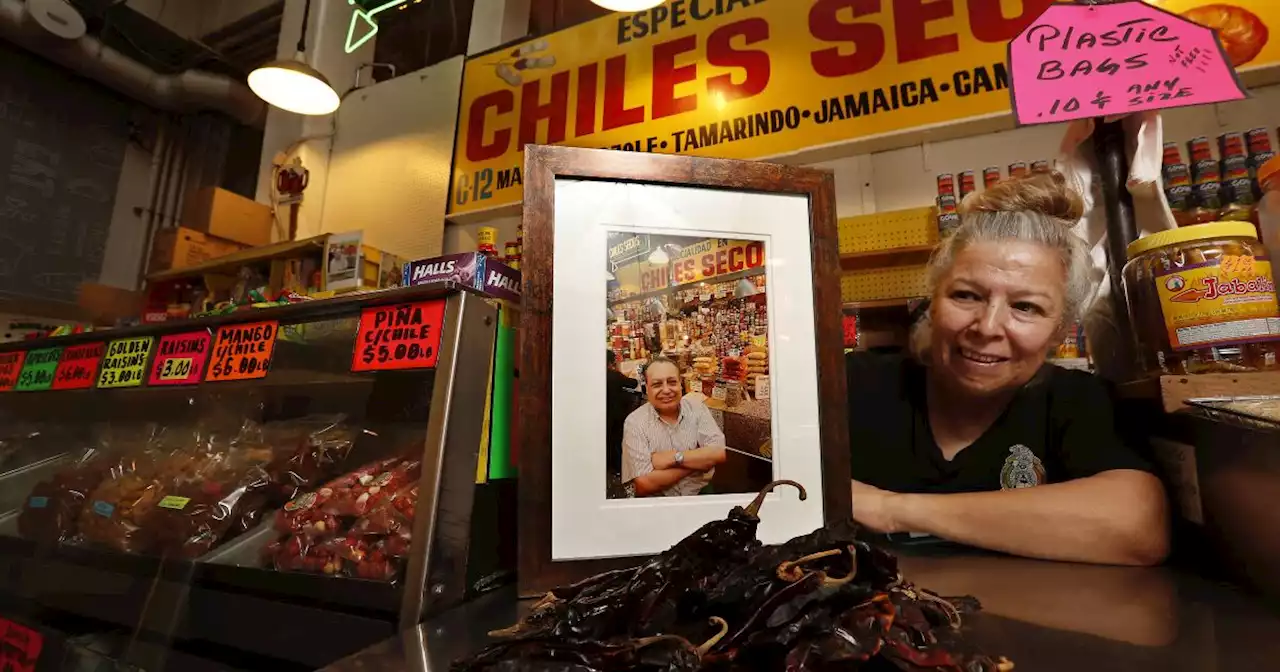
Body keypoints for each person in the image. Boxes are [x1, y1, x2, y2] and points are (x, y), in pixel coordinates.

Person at [846, 172, 1169, 567]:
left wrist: (890, 509)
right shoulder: (855, 384)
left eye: (1026, 307)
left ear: (1059, 330)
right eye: (966, 295)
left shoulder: (1072, 401)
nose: (987, 327)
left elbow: (1138, 526)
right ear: (933, 301)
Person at [622, 356, 728, 497]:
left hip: (699, 493)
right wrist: (699, 463)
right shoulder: (635, 422)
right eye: (657, 384)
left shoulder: (697, 408)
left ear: (681, 385)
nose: (666, 390)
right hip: (659, 501)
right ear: (647, 388)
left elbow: (719, 453)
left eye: (672, 382)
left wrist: (674, 458)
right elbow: (644, 484)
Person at [605, 350, 640, 489]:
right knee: (616, 440)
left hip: (605, 413)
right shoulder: (613, 375)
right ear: (610, 363)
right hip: (615, 414)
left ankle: (611, 466)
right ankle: (620, 469)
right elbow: (633, 383)